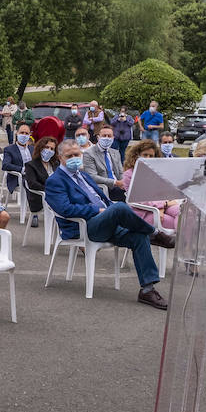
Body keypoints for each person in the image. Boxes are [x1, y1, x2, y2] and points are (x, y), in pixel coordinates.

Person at [44, 139, 173, 310]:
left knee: (138, 236)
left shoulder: (83, 175)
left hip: (106, 225)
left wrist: (108, 211)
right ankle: (155, 234)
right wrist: (96, 211)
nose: (75, 158)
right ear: (60, 158)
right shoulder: (55, 181)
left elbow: (104, 200)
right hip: (84, 228)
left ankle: (147, 290)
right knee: (120, 207)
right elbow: (64, 209)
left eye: (77, 154)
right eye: (70, 156)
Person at [121, 140, 180, 231]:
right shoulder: (129, 175)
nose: (148, 158)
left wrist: (162, 207)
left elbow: (162, 192)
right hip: (143, 212)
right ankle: (182, 244)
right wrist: (163, 205)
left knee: (182, 214)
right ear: (137, 155)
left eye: (151, 156)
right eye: (145, 155)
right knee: (177, 222)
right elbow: (137, 199)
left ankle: (185, 244)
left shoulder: (156, 172)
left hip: (161, 206)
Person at [83, 123, 125, 201]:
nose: (107, 138)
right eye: (104, 136)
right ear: (98, 137)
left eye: (109, 136)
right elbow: (92, 177)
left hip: (118, 186)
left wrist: (124, 182)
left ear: (113, 138)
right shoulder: (89, 153)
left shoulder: (115, 152)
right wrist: (115, 182)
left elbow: (120, 173)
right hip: (104, 188)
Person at [22, 135, 60, 224]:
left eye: (52, 149)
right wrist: (50, 189)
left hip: (57, 194)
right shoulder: (31, 165)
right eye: (47, 147)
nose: (49, 151)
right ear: (40, 148)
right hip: (41, 196)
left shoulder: (55, 164)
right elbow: (32, 184)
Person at [1, 122, 34, 197]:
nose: (24, 135)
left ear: (29, 135)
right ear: (17, 133)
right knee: (31, 183)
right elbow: (5, 165)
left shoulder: (32, 149)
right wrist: (22, 169)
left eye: (26, 133)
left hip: (33, 176)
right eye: (22, 132)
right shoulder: (9, 149)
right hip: (18, 178)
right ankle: (34, 206)